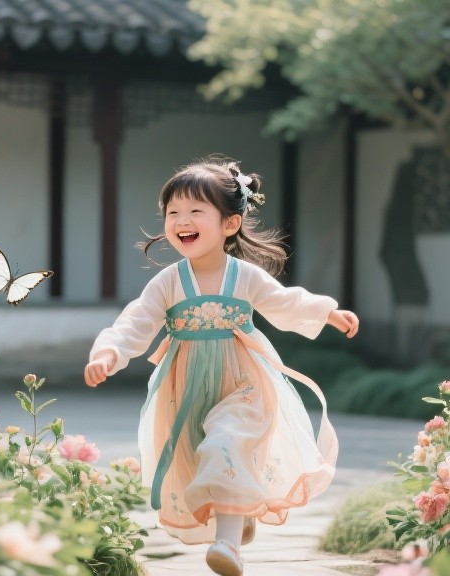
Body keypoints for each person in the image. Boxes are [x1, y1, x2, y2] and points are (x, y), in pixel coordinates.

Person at [83, 158, 360, 576]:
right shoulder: (168, 282)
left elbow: (284, 302)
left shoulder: (244, 276)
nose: (182, 221)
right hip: (187, 386)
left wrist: (326, 313)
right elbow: (136, 322)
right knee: (203, 457)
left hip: (244, 381)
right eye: (173, 212)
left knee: (226, 443)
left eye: (196, 211)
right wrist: (108, 352)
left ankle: (228, 545)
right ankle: (237, 515)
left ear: (229, 224)